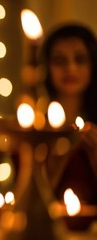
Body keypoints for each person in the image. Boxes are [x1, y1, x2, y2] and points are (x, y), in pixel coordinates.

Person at [41, 24, 97, 205]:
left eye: (80, 60)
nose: (70, 68)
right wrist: (57, 161)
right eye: (59, 60)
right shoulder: (34, 126)